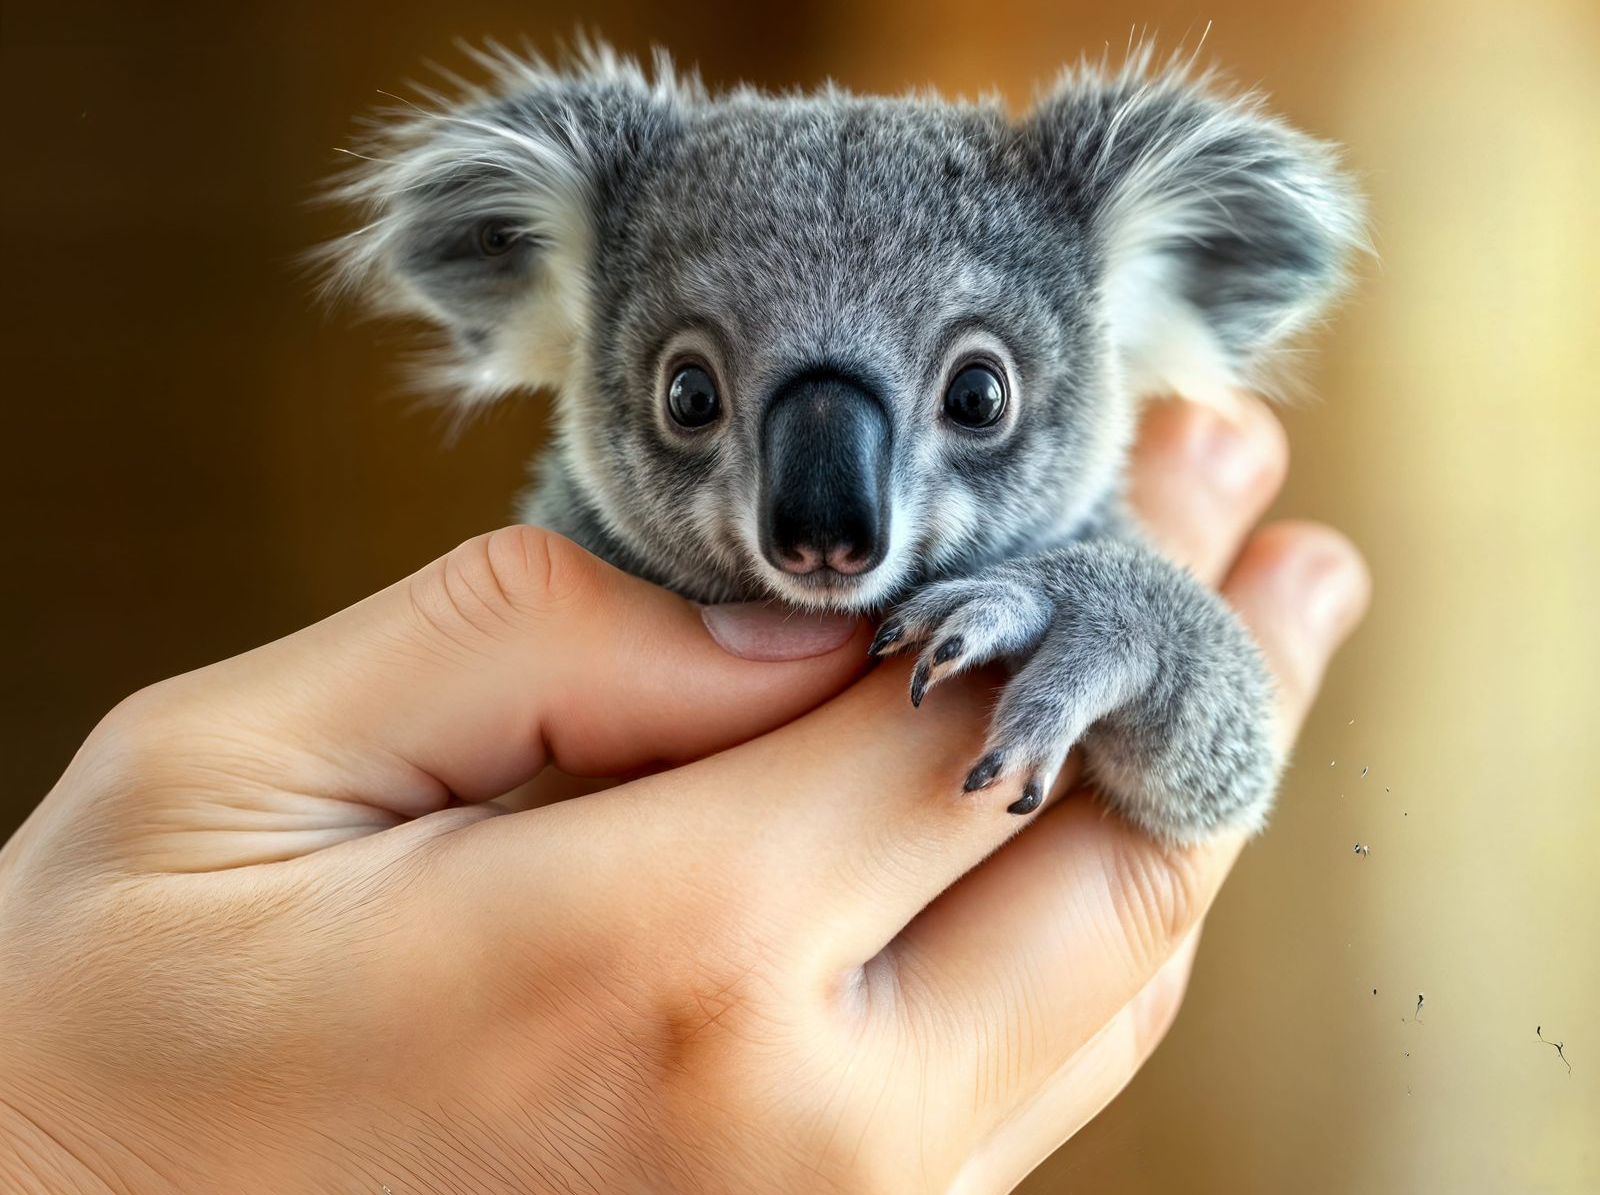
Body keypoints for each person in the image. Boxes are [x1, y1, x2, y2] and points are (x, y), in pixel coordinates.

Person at [0, 399, 1366, 1194]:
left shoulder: (1096, 492)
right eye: (697, 397)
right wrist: (59, 1145)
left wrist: (1141, 632)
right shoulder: (580, 549)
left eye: (973, 395)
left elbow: (1218, 776)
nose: (827, 521)